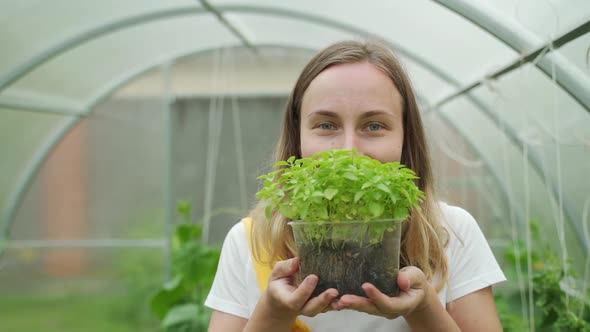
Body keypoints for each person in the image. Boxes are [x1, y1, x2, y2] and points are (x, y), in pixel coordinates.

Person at [205, 40, 506, 331]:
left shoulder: (451, 233)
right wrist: (273, 314)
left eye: (374, 126)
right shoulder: (250, 241)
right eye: (326, 125)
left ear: (405, 137)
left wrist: (423, 307)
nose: (349, 150)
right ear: (298, 136)